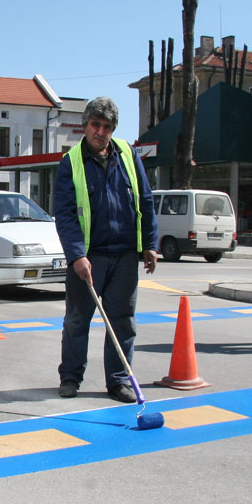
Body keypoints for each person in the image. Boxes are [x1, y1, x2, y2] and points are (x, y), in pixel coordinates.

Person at [53, 97, 158, 403]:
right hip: (88, 256)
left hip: (124, 255)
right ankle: (70, 378)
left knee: (123, 320)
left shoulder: (128, 155)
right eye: (95, 125)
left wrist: (150, 244)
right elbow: (66, 213)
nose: (100, 132)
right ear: (85, 126)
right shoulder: (70, 162)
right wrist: (76, 255)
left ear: (113, 129)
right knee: (77, 320)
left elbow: (146, 200)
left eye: (107, 127)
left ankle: (119, 381)